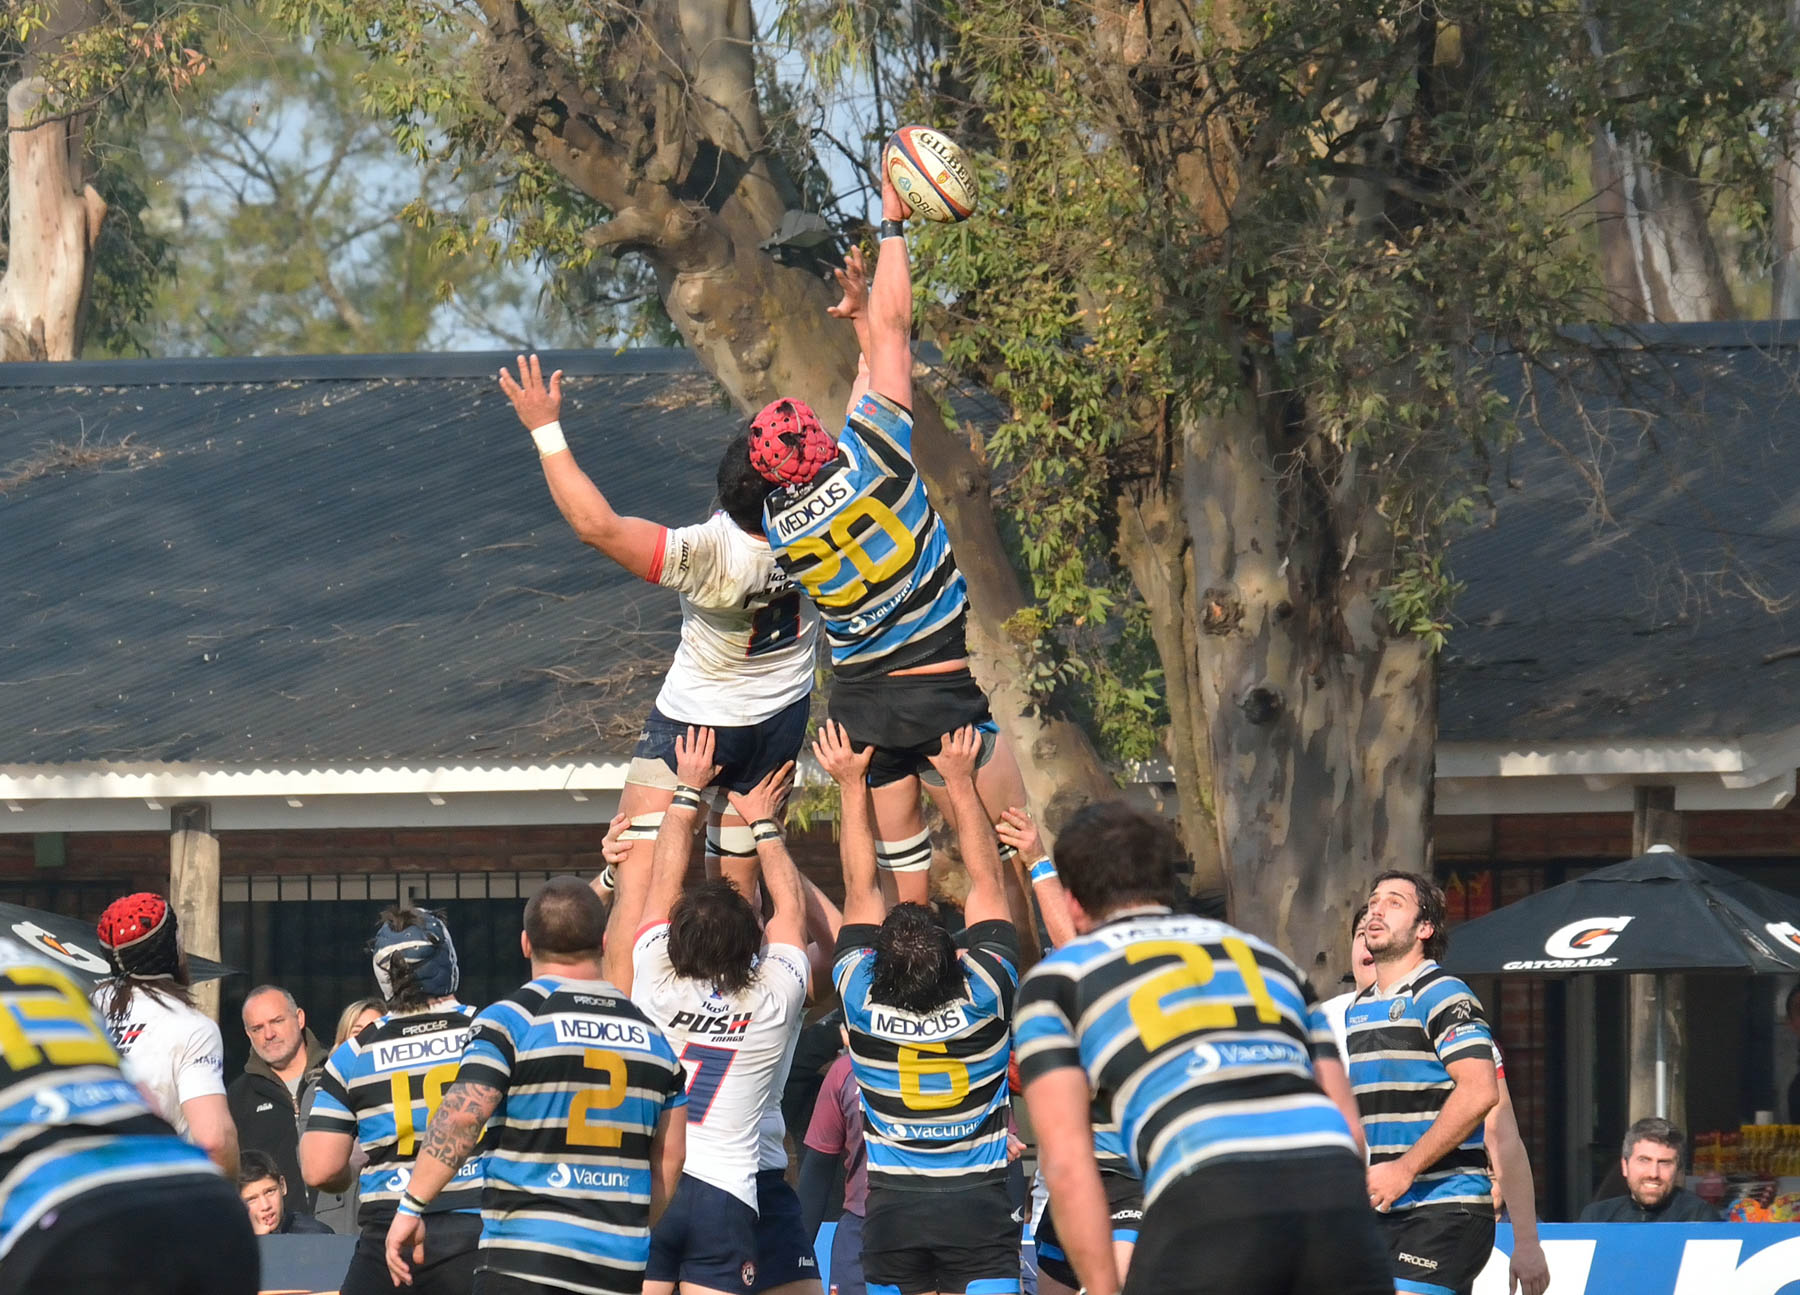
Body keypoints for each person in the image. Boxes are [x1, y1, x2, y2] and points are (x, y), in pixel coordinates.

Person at [742, 186, 1033, 920]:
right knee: (1012, 858)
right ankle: (1034, 1001)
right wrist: (892, 226)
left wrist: (863, 327)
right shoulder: (872, 456)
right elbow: (895, 341)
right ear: (821, 439)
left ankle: (886, 1008)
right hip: (938, 688)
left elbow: (880, 364)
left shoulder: (781, 523)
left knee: (897, 892)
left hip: (862, 706)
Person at [1012, 802, 1383, 1295]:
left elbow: (1065, 1162)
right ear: (1167, 884)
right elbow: (1348, 1126)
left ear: (1074, 903)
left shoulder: (1060, 980)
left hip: (1209, 1204)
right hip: (1338, 1207)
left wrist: (1103, 1289)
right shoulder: (1270, 961)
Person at [499, 352, 820, 899]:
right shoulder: (833, 531)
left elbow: (596, 526)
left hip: (695, 724)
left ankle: (624, 981)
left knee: (635, 882)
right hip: (782, 716)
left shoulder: (709, 552)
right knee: (738, 900)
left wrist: (544, 428)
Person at [385, 877, 688, 1295]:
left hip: (523, 1260)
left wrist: (411, 1207)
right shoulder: (654, 1040)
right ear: (602, 941)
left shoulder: (511, 1021)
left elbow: (460, 1119)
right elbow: (671, 1158)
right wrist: (625, 1229)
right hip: (618, 1266)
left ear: (526, 943)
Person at [814, 721, 1023, 1295]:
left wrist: (852, 784)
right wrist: (958, 780)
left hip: (893, 1213)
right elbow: (988, 883)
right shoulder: (985, 990)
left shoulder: (858, 992)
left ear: (877, 963)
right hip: (978, 1209)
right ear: (955, 956)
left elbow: (861, 890)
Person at [613, 728, 811, 1295]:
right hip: (725, 1194)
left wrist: (687, 793)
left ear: (675, 940)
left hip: (654, 1181)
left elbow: (661, 883)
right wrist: (764, 822)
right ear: (753, 946)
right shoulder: (771, 999)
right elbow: (791, 913)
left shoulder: (654, 977)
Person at [0, 942, 259, 1292]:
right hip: (208, 1207)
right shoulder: (48, 974)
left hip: (72, 1228)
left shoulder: (98, 996)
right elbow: (146, 1101)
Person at [1325, 905, 1549, 1295]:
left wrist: (1526, 1241)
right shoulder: (1323, 1024)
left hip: (1439, 1208)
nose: (1368, 938)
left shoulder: (1441, 1007)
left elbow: (1501, 1134)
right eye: (1361, 932)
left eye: (1376, 928)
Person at [303, 910, 484, 1294]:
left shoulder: (355, 1051)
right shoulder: (489, 1031)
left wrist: (352, 1168)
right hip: (478, 1228)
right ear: (447, 961)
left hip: (388, 1237)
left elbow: (319, 1169)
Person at [992, 809, 1133, 1295]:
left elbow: (1073, 949)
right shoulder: (1059, 970)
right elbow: (1031, 944)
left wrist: (1036, 859)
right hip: (1064, 1182)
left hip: (1126, 1175)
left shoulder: (1126, 961)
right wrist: (1014, 858)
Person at [1346, 872, 1500, 1295]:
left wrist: (1405, 1168)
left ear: (1424, 928)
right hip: (1387, 1208)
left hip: (1448, 1205)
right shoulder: (1358, 1009)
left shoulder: (1445, 993)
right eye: (1374, 900)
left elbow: (1480, 1091)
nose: (1377, 908)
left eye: (1394, 902)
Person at [90, 891, 239, 1174]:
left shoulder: (79, 1010)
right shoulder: (193, 1028)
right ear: (174, 948)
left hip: (75, 1193)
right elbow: (214, 1140)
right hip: (153, 1192)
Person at [231, 983, 329, 1210]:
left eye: (277, 1021)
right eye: (257, 1028)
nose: (269, 1034)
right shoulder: (238, 1098)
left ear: (300, 1018)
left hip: (343, 1229)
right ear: (248, 1034)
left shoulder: (337, 1075)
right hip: (278, 1237)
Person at [300, 996, 386, 1237]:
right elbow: (309, 1159)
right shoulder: (319, 1089)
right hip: (339, 1214)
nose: (366, 1039)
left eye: (375, 1030)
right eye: (357, 1032)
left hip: (387, 1204)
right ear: (344, 1039)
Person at [800, 1040, 867, 1295]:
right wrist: (798, 1258)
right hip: (861, 1231)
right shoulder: (847, 1071)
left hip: (944, 1227)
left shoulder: (972, 1064)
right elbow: (817, 1171)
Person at [1579, 1118, 1721, 1222]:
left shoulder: (1699, 1216)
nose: (1653, 1173)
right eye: (1644, 1160)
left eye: (1664, 1163)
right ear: (1624, 1166)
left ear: (1677, 1170)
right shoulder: (1597, 1217)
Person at [239, 1148, 334, 1235]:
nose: (265, 1206)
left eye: (270, 1192)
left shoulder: (316, 1235)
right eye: (251, 1199)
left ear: (282, 1186)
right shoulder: (229, 1244)